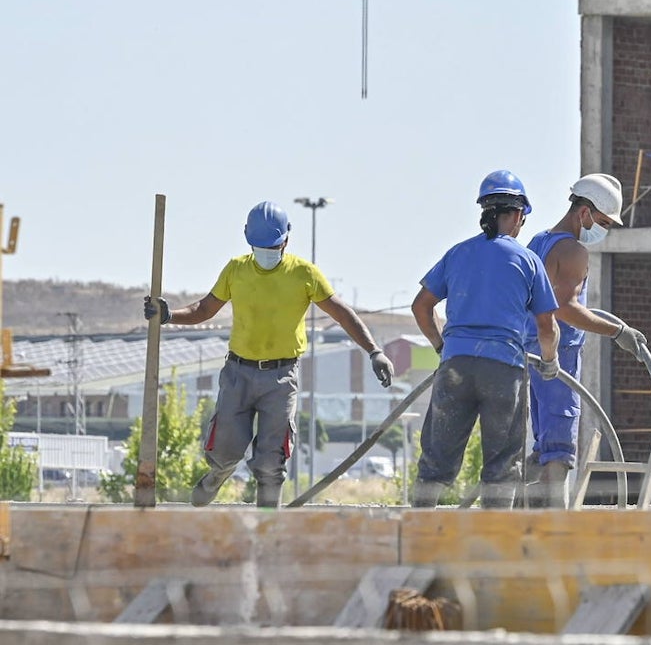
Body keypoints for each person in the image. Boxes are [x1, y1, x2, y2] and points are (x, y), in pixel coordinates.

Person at [143, 201, 394, 508]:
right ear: (246, 238)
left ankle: (266, 525)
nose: (266, 252)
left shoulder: (304, 274)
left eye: (272, 245)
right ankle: (217, 476)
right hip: (238, 374)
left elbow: (343, 314)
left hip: (281, 377)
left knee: (271, 461)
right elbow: (204, 309)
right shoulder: (236, 270)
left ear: (286, 239)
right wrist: (169, 315)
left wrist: (374, 351)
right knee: (225, 449)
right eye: (259, 246)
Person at [410, 170, 560, 509]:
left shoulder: (458, 254)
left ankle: (417, 536)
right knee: (503, 465)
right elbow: (547, 326)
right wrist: (549, 362)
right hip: (503, 369)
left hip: (456, 367)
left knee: (436, 459)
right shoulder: (528, 261)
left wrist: (441, 346)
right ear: (519, 214)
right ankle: (494, 544)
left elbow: (422, 306)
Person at [522, 173, 647, 508]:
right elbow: (564, 308)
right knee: (560, 448)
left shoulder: (538, 241)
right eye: (603, 222)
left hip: (530, 352)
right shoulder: (572, 250)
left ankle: (521, 513)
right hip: (557, 357)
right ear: (584, 213)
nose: (603, 229)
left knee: (542, 445)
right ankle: (555, 530)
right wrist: (617, 332)